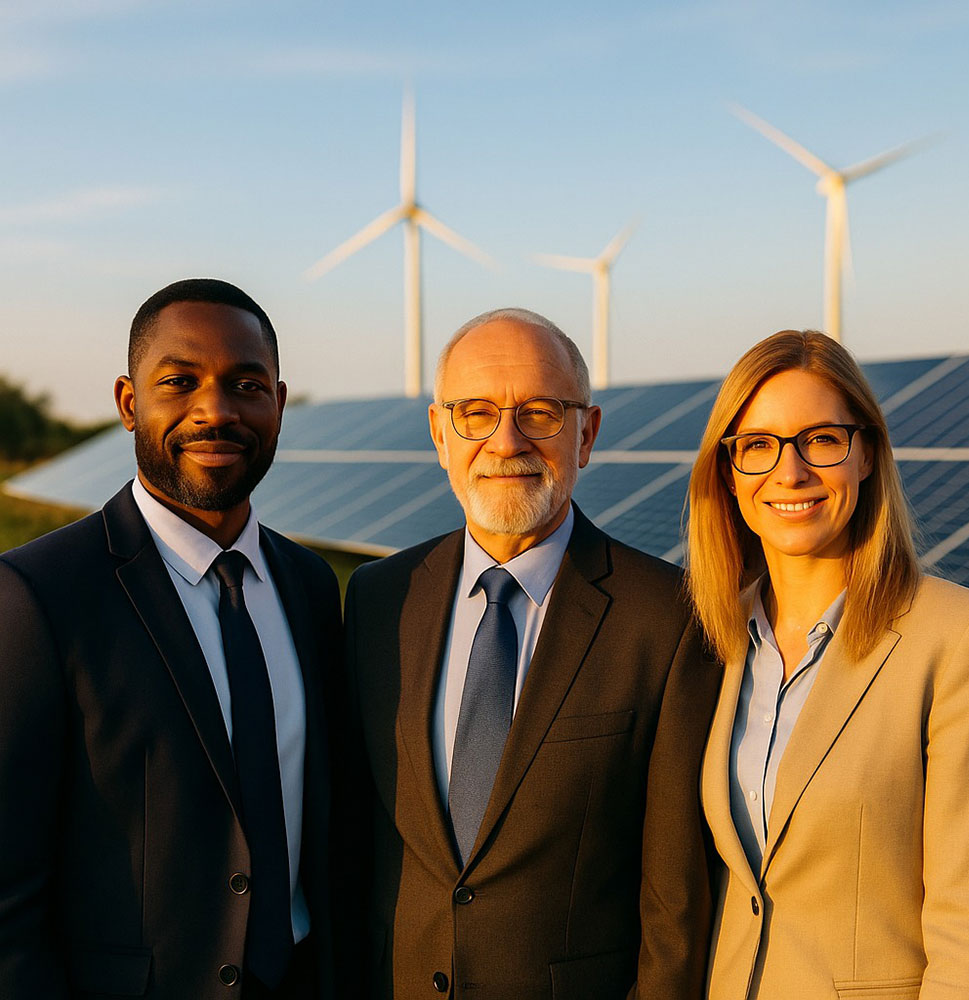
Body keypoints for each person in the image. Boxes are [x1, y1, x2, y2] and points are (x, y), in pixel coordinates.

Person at [344, 308, 722, 1000]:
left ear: (588, 433)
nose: (505, 440)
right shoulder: (378, 600)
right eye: (475, 413)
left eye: (540, 412)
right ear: (438, 433)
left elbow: (675, 904)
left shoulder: (666, 616)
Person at [0, 278, 355, 999]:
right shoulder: (38, 594)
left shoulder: (312, 586)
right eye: (181, 381)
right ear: (130, 403)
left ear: (279, 405)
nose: (216, 411)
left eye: (246, 384)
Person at [687, 329, 969, 999]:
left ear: (866, 455)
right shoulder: (709, 643)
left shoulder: (960, 638)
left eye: (822, 440)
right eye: (757, 446)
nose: (790, 471)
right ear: (727, 471)